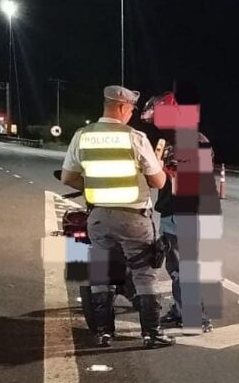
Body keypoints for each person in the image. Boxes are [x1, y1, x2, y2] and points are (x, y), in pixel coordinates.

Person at [61, 85, 176, 349]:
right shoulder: (134, 138)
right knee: (144, 274)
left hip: (99, 216)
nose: (131, 115)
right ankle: (152, 334)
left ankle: (103, 332)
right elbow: (158, 181)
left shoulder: (82, 136)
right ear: (123, 107)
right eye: (132, 110)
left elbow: (68, 177)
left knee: (101, 273)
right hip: (133, 218)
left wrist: (95, 186)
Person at [140, 91, 213, 332]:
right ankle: (182, 310)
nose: (157, 127)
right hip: (173, 213)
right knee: (176, 267)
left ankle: (195, 317)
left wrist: (167, 168)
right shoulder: (173, 141)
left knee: (184, 268)